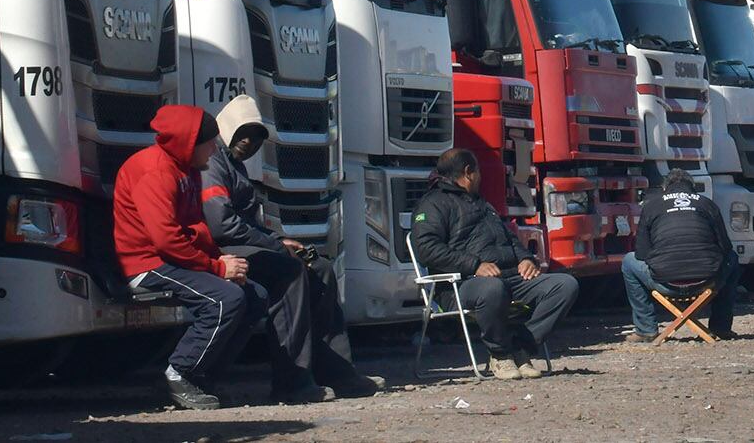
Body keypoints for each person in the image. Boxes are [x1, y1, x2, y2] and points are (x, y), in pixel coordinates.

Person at [201, 94, 375, 400]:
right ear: (227, 128)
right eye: (243, 133)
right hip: (218, 249)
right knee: (290, 272)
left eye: (256, 137)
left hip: (243, 246)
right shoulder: (213, 165)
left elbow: (242, 224)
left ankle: (339, 373)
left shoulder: (234, 166)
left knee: (320, 269)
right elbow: (221, 225)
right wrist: (275, 245)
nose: (249, 142)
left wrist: (278, 241)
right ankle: (291, 381)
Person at [113, 104, 265, 411]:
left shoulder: (188, 169)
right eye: (208, 142)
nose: (214, 148)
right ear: (188, 143)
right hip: (148, 264)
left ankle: (203, 378)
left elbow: (194, 228)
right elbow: (165, 240)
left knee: (255, 295)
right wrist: (217, 268)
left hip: (173, 259)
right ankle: (179, 373)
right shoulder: (155, 171)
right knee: (227, 299)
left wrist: (221, 260)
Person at [410, 148, 579, 380]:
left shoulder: (482, 204)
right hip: (462, 285)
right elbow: (426, 249)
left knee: (564, 285)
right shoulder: (433, 204)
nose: (480, 176)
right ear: (469, 173)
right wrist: (474, 265)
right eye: (477, 171)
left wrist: (526, 259)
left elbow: (508, 239)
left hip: (509, 278)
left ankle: (521, 348)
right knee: (492, 289)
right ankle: (500, 355)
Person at [621, 170, 741, 340]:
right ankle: (720, 327)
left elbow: (641, 254)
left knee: (628, 261)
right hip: (707, 281)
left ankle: (645, 329)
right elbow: (725, 248)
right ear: (693, 189)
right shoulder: (707, 205)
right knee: (733, 259)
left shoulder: (651, 206)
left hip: (665, 282)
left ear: (665, 188)